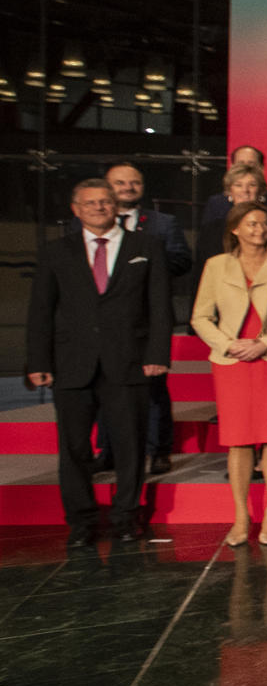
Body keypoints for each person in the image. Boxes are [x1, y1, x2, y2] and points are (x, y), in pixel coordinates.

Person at [27, 179, 174, 546]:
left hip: (129, 362)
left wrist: (157, 354)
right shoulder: (54, 252)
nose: (99, 208)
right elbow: (41, 311)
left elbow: (160, 307)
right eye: (90, 203)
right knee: (74, 448)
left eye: (105, 201)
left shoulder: (147, 246)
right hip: (71, 364)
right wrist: (37, 360)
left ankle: (126, 516)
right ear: (75, 209)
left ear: (116, 206)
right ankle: (81, 522)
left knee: (129, 446)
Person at [191, 201, 267, 547]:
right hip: (232, 363)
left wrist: (266, 343)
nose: (259, 230)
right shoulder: (216, 266)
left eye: (263, 224)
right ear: (234, 229)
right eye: (251, 224)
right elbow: (200, 317)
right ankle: (241, 518)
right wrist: (228, 345)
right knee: (238, 441)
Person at [88, 162, 190, 477]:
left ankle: (158, 450)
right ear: (107, 187)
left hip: (148, 318)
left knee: (154, 387)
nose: (128, 188)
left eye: (134, 182)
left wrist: (143, 267)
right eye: (120, 183)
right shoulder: (91, 225)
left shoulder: (163, 223)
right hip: (102, 322)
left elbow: (182, 260)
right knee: (105, 385)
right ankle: (108, 450)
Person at [196, 165, 267, 288]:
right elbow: (200, 275)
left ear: (261, 191)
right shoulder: (211, 229)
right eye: (238, 185)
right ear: (229, 191)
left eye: (252, 185)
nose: (245, 190)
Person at [199, 144, 267, 235]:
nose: (245, 168)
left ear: (262, 168)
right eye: (240, 163)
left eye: (251, 164)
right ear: (232, 166)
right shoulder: (216, 203)